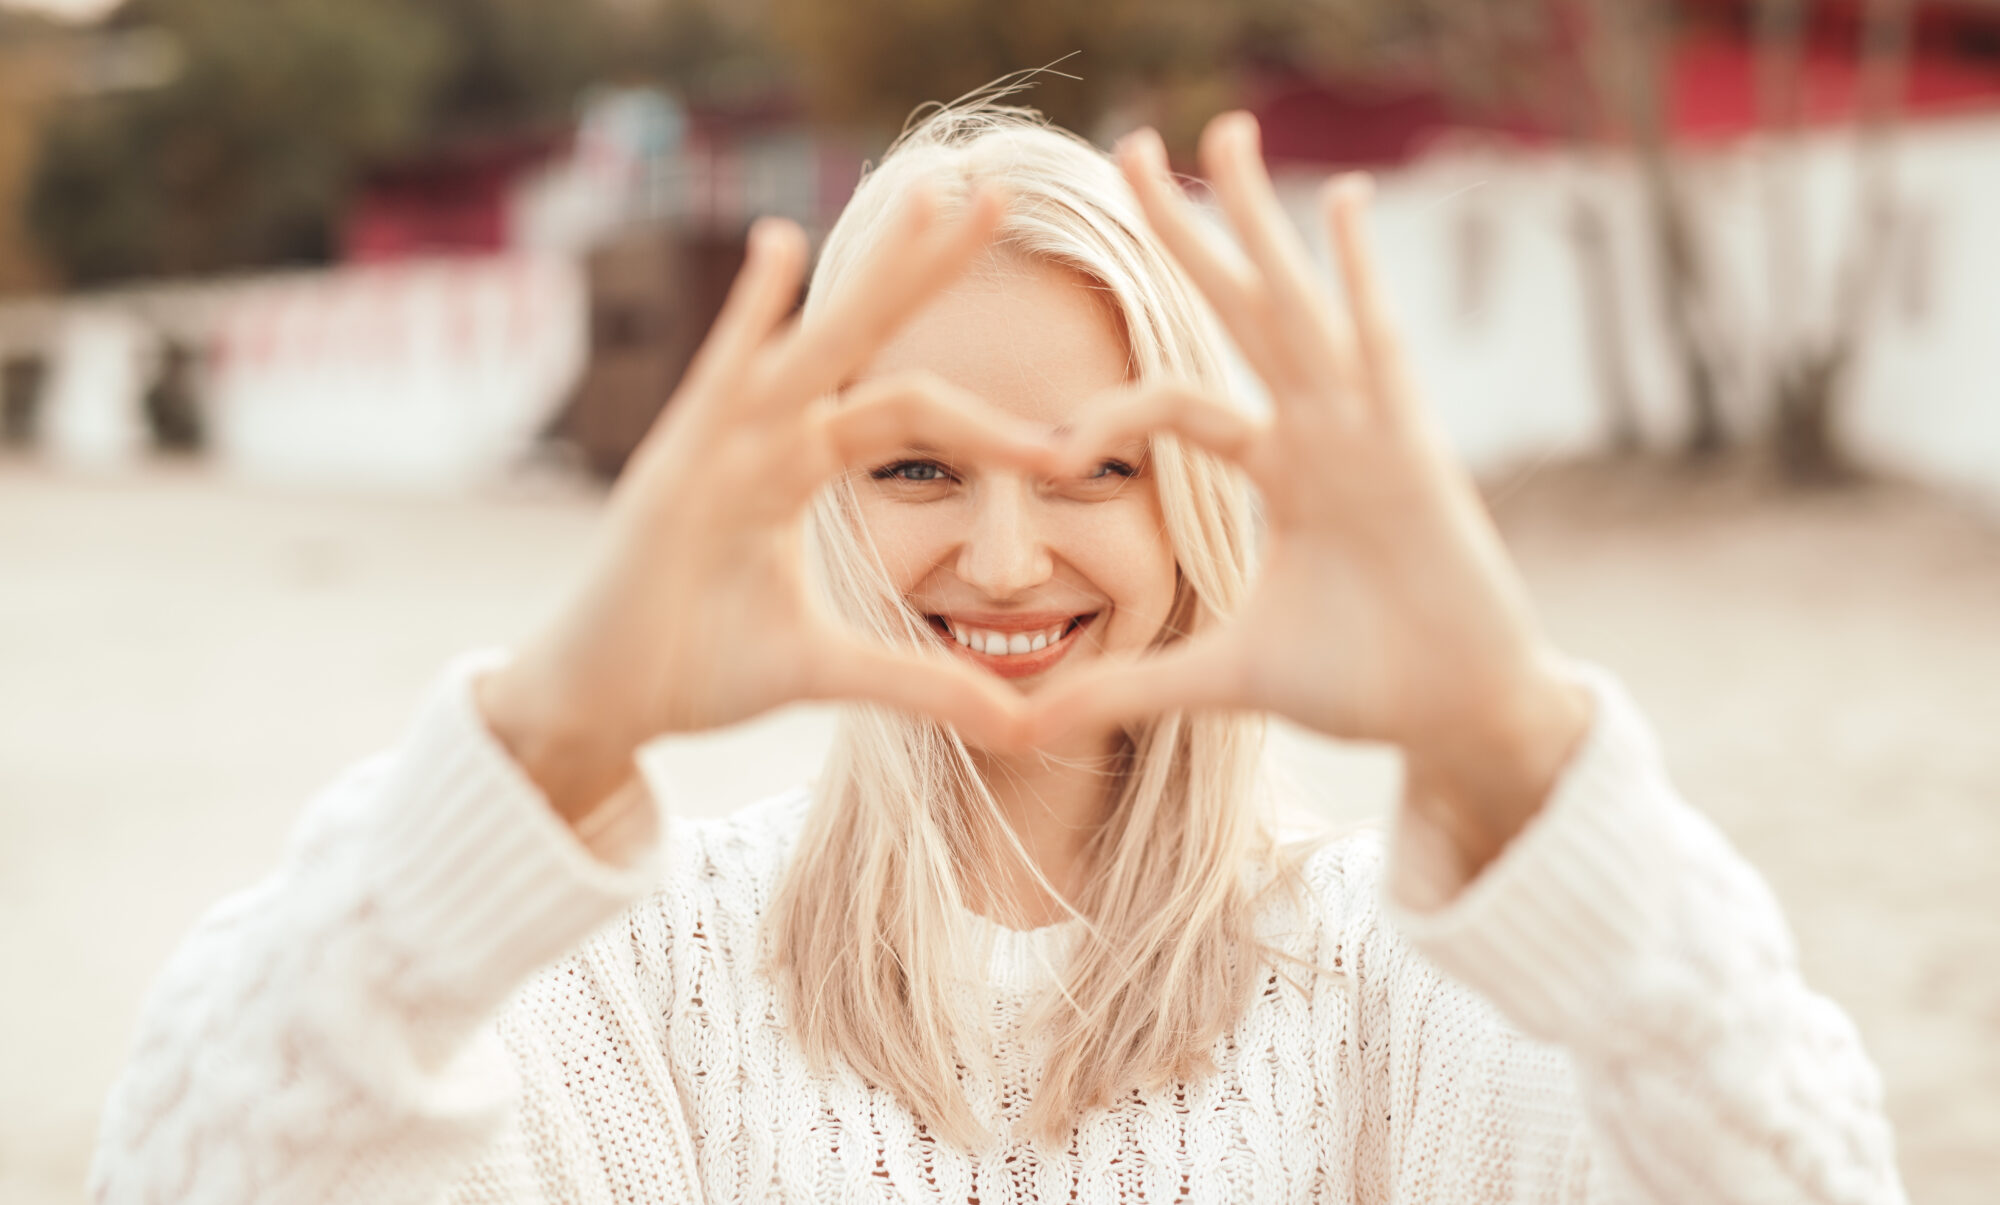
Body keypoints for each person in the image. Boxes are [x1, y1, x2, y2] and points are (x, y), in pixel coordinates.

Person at [90, 101, 1906, 1203]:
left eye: (1100, 466)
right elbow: (206, 1170)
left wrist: (1516, 740)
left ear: (1201, 493)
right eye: (915, 465)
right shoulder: (638, 983)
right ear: (818, 491)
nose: (1007, 551)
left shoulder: (1399, 988)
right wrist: (547, 734)